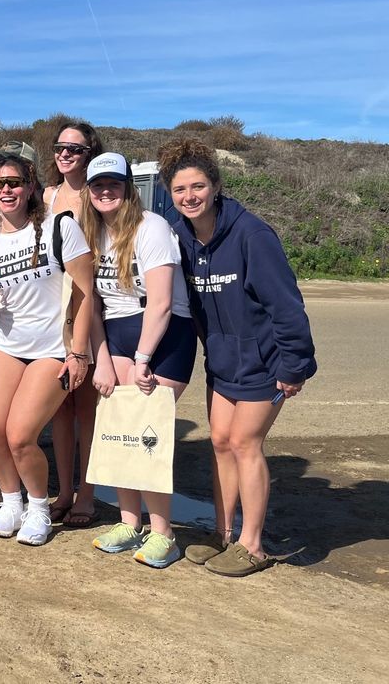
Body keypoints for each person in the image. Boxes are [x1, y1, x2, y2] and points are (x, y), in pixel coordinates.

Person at [158, 139, 317, 576]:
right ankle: (223, 534)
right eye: (179, 190)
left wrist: (294, 366)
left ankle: (253, 545)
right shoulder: (181, 236)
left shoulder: (252, 235)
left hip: (266, 364)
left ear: (216, 186)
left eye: (198, 186)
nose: (189, 196)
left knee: (246, 444)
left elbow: (286, 307)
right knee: (221, 443)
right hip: (223, 363)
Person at [79, 152, 198, 567]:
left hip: (165, 337)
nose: (106, 191)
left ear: (128, 187)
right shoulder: (91, 233)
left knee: (147, 433)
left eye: (114, 183)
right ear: (89, 192)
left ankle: (164, 533)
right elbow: (91, 305)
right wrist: (103, 359)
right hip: (116, 335)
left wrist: (144, 357)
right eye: (98, 185)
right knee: (119, 428)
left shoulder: (153, 228)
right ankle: (130, 522)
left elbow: (162, 302)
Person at [0, 153, 95, 546]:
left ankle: (39, 507)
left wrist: (78, 353)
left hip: (52, 347)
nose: (5, 190)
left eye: (13, 183)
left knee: (20, 435)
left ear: (29, 187)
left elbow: (85, 292)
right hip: (8, 345)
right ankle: (12, 503)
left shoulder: (60, 227)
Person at [42, 120, 105, 528]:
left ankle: (87, 492)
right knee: (59, 408)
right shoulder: (47, 195)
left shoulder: (98, 194)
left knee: (86, 408)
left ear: (90, 153)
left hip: (90, 304)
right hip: (53, 306)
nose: (65, 154)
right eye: (60, 147)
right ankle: (64, 490)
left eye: (75, 149)